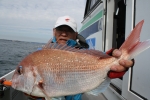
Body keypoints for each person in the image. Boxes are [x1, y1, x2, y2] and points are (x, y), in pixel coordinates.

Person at [0, 15, 134, 100]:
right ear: (53, 31)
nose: (63, 33)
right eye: (60, 29)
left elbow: (96, 60)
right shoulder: (40, 53)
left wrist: (110, 60)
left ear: (75, 34)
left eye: (68, 30)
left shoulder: (83, 52)